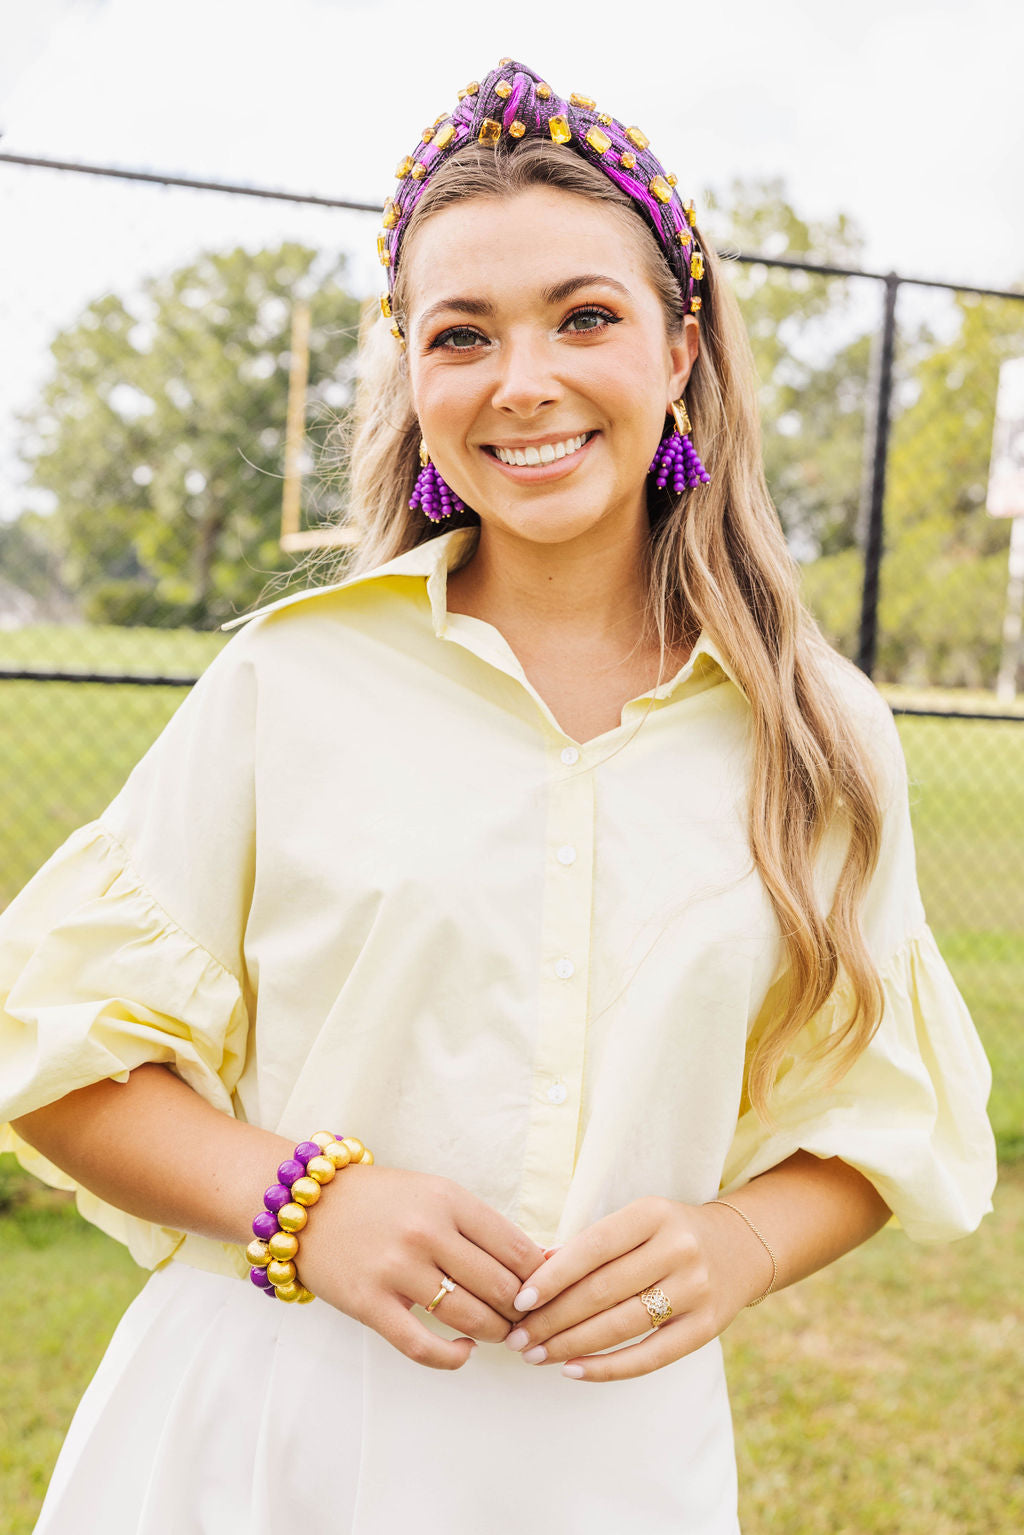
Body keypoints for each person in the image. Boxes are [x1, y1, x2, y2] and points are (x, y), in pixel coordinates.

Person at [0, 58, 997, 1535]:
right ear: (416, 375)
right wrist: (306, 1206)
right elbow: (57, 1059)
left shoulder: (819, 732)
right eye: (462, 335)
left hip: (608, 1466)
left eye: (584, 317)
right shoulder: (293, 683)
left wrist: (740, 1243)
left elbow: (881, 1115)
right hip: (268, 1439)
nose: (522, 382)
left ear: (681, 349)